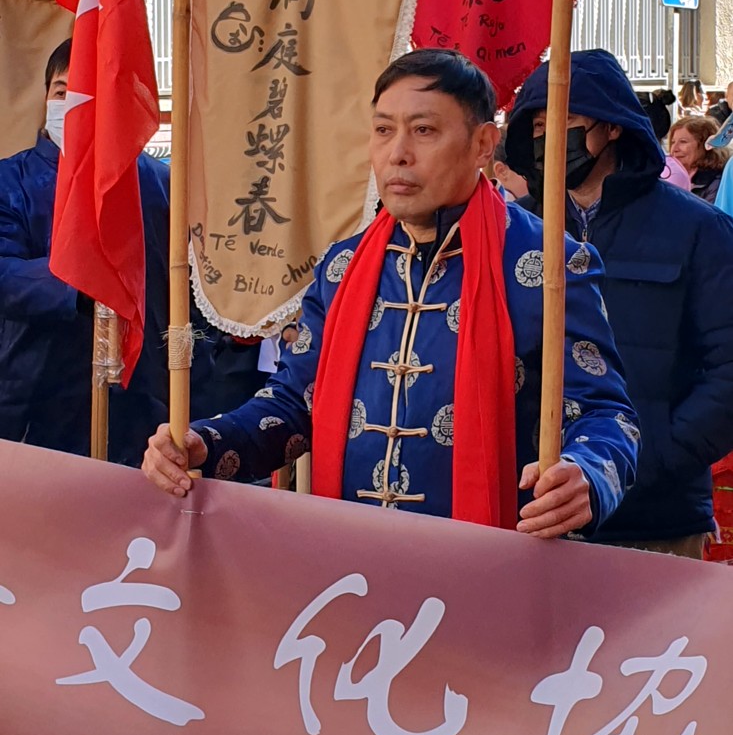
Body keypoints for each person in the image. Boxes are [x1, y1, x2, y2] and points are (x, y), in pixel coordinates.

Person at [144, 50, 639, 542]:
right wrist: (205, 442)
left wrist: (586, 475)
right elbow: (293, 404)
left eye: (423, 130)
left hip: (490, 562)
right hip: (353, 562)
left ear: (483, 145)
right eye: (383, 130)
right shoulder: (342, 267)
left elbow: (606, 414)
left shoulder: (545, 266)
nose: (398, 153)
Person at [506, 47, 733, 559]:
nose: (549, 138)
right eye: (537, 127)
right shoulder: (514, 231)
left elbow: (727, 370)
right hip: (531, 511)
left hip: (656, 517)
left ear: (611, 126)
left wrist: (648, 456)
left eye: (565, 122)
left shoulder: (698, 229)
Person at [0, 38, 216, 465]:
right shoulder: (11, 179)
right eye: (63, 91)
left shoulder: (162, 183)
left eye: (89, 92)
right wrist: (80, 282)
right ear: (46, 97)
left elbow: (193, 287)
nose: (74, 104)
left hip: (145, 403)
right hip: (35, 397)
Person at [669, 115, 728, 204]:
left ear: (705, 145)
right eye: (673, 142)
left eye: (683, 142)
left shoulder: (717, 181)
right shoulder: (666, 175)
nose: (674, 149)